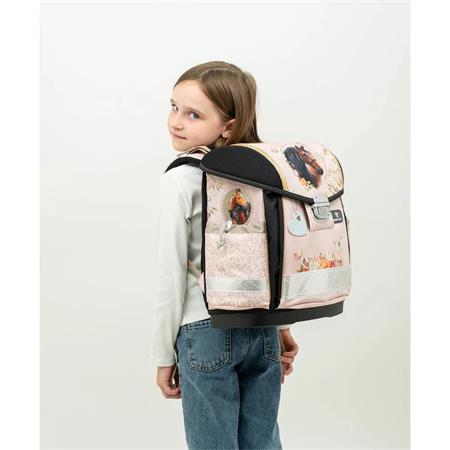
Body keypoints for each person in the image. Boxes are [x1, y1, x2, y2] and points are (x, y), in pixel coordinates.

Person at [149, 61, 299, 450]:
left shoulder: (180, 179)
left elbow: (170, 274)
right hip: (262, 327)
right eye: (174, 107)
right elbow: (275, 254)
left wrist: (163, 355)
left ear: (228, 127)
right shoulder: (264, 172)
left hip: (205, 329)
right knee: (263, 443)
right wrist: (282, 327)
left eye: (193, 114)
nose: (176, 122)